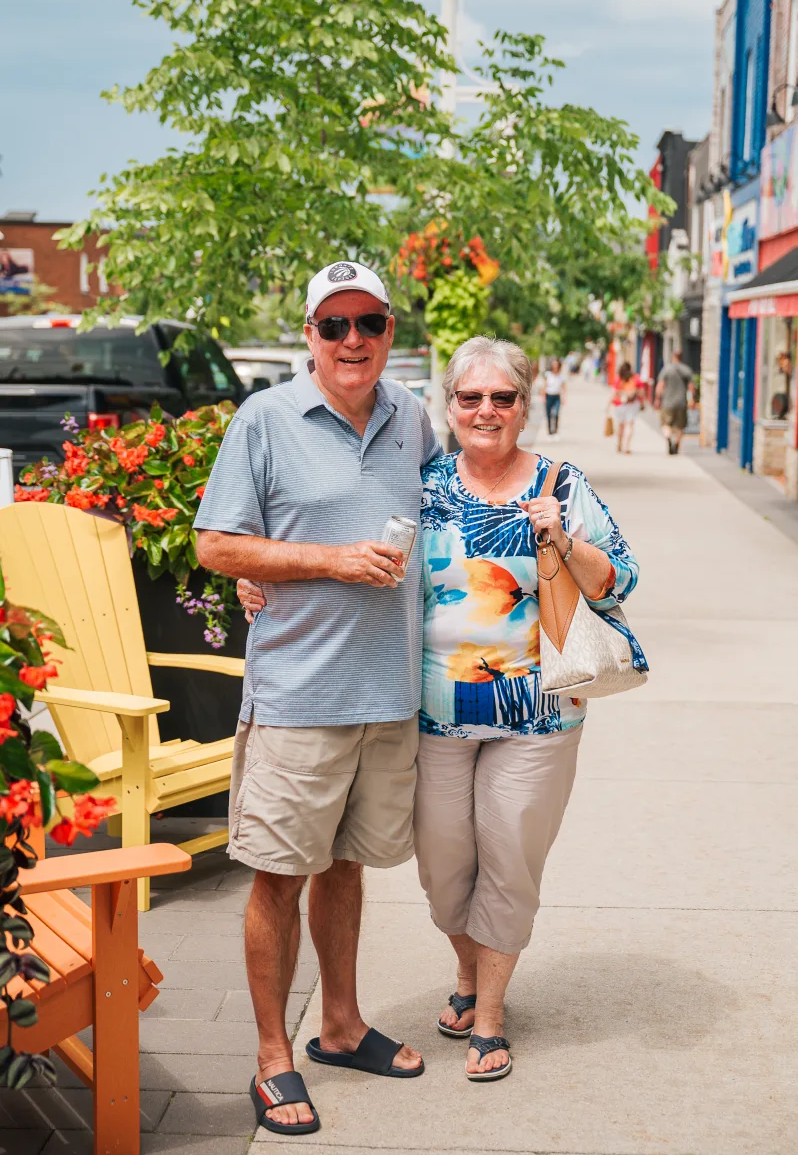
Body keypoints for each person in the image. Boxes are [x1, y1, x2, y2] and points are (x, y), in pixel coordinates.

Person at [241, 337, 640, 1084]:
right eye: (470, 398)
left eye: (503, 398)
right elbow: (338, 540)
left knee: (510, 863)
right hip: (429, 711)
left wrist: (559, 533)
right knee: (445, 870)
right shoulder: (420, 485)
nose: (486, 411)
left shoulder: (561, 482)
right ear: (447, 407)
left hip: (538, 713)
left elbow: (618, 582)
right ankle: (468, 967)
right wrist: (261, 582)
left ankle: (488, 1011)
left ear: (526, 404)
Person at [195, 260, 439, 1137]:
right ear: (308, 337)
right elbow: (217, 546)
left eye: (367, 324)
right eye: (332, 327)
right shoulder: (263, 419)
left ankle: (340, 1026)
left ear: (388, 333)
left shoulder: (413, 416)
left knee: (346, 868)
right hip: (298, 694)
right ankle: (272, 1057)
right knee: (278, 878)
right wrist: (325, 561)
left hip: (386, 692)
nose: (351, 342)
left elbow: (445, 517)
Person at [654, 350, 694, 455]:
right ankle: (676, 444)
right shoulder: (687, 370)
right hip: (681, 402)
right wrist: (691, 400)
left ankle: (668, 439)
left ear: (673, 356)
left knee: (665, 424)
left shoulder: (667, 369)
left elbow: (660, 386)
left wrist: (657, 399)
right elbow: (690, 388)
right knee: (680, 426)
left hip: (667, 402)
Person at [610, 361, 644, 455]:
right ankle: (627, 447)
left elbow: (614, 393)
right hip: (632, 404)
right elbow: (641, 392)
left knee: (620, 425)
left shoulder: (618, 379)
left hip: (619, 404)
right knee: (629, 425)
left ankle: (619, 444)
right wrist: (642, 402)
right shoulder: (636, 378)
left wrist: (609, 404)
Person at [540, 357, 567, 439]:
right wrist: (543, 397)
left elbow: (564, 387)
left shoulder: (561, 375)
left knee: (556, 413)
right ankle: (549, 432)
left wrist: (564, 397)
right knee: (548, 414)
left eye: (556, 365)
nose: (555, 366)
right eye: (554, 365)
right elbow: (544, 386)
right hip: (549, 396)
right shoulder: (548, 374)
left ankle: (555, 431)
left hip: (557, 397)